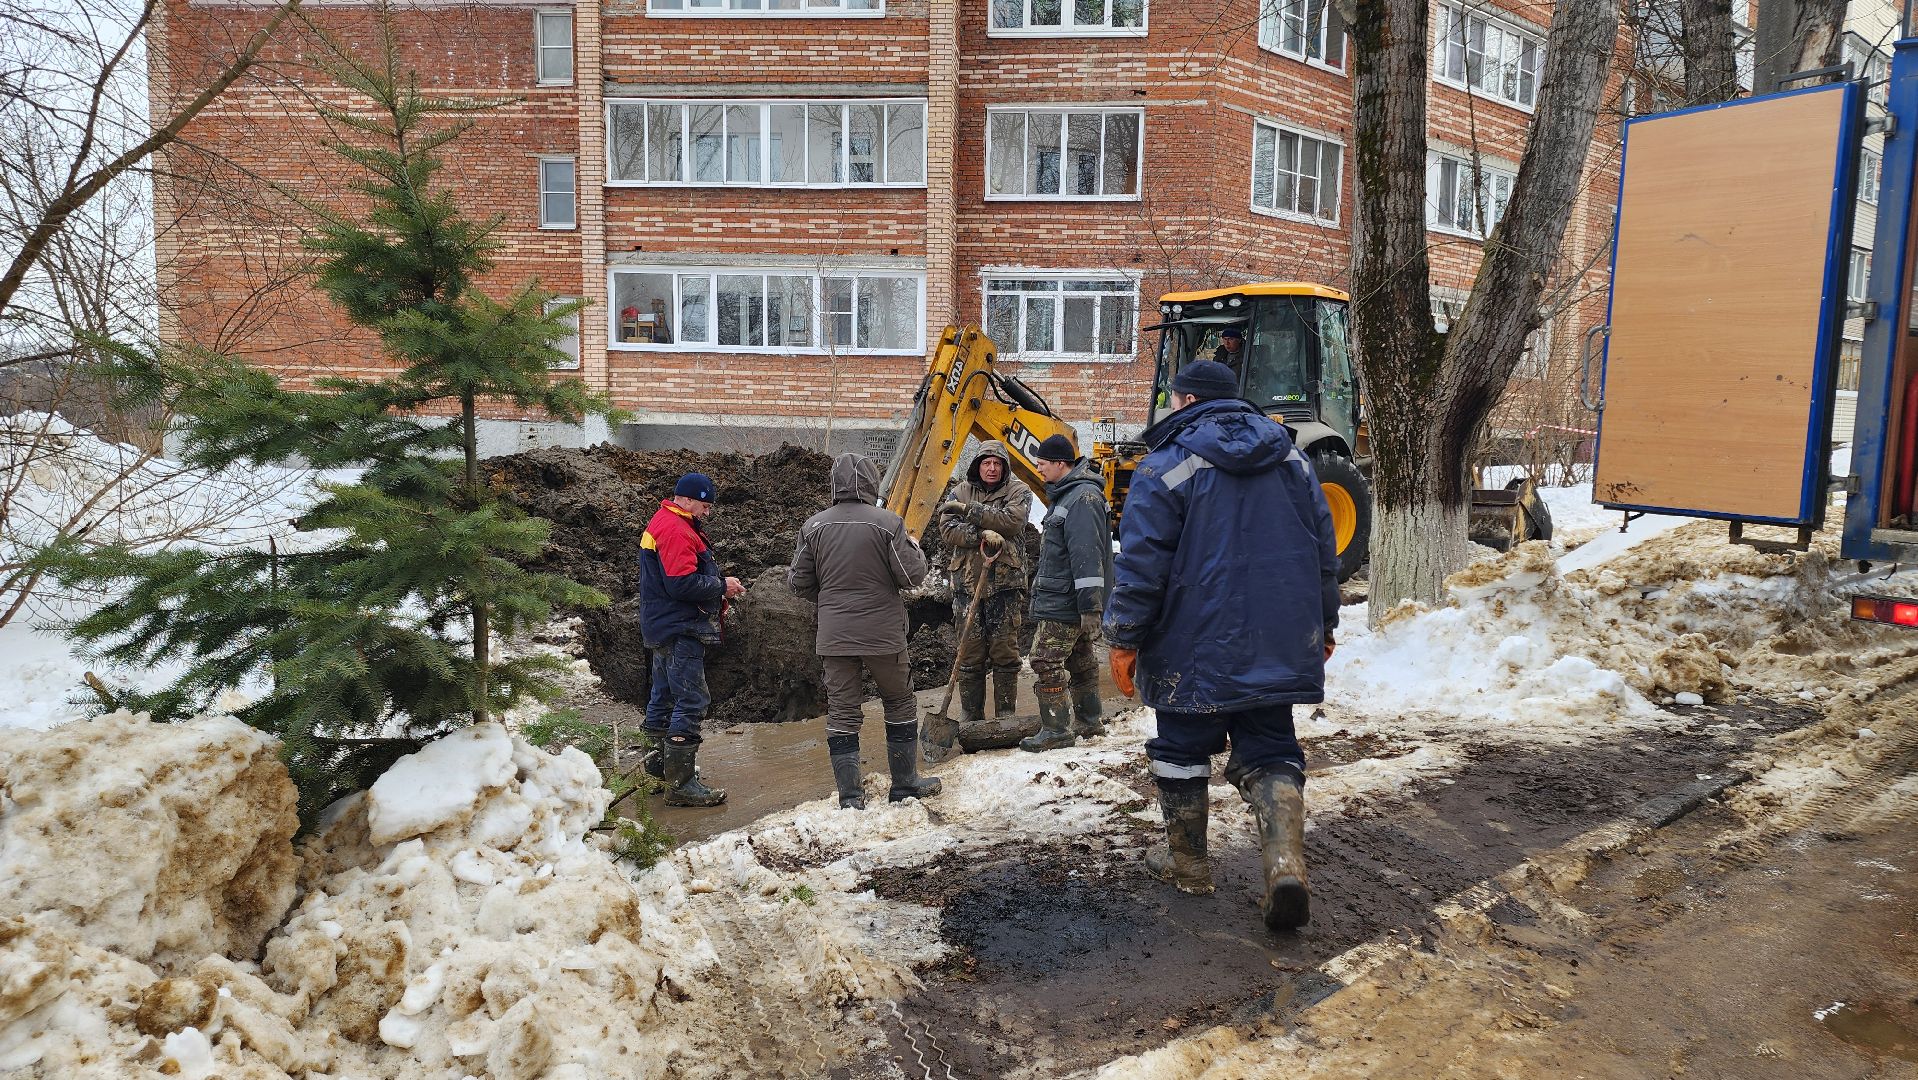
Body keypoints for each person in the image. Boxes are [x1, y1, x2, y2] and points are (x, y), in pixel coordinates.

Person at [1103, 359, 1339, 932]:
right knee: (1272, 745)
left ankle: (1188, 864)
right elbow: (1322, 552)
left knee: (1183, 747)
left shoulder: (1165, 466)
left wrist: (1124, 637)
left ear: (1183, 402)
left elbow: (1141, 565)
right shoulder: (1293, 459)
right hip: (1277, 637)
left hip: (1192, 640)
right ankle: (1284, 866)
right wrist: (1324, 625)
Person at [789, 454, 940, 808]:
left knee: (842, 711)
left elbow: (798, 583)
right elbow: (912, 576)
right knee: (899, 702)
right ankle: (904, 785)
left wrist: (830, 598)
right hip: (883, 634)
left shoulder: (813, 527)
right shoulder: (888, 524)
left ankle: (850, 797)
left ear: (834, 485)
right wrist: (915, 550)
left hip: (835, 635)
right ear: (872, 483)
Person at [638, 472, 745, 807]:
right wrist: (721, 586)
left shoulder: (665, 522)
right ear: (685, 499)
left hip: (663, 625)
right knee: (692, 700)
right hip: (681, 628)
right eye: (704, 504)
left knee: (663, 697)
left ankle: (658, 773)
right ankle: (681, 785)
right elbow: (681, 584)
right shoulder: (675, 529)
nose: (707, 512)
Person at [935, 442, 1036, 745]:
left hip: (1006, 586)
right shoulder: (960, 489)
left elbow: (1012, 522)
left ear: (1004, 467)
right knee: (969, 652)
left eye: (997, 463)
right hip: (967, 586)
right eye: (986, 463)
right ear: (977, 465)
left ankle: (1006, 714)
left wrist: (972, 513)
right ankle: (970, 718)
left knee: (1005, 652)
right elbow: (947, 526)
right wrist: (980, 534)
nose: (991, 468)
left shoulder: (1019, 491)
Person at [1020, 433, 1114, 753]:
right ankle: (1089, 721)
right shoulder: (1067, 495)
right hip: (1065, 596)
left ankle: (1057, 729)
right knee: (1080, 658)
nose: (1039, 468)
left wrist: (1090, 608)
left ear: (1061, 464)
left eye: (1043, 463)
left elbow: (1087, 556)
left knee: (1044, 660)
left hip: (1067, 600)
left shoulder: (1081, 498)